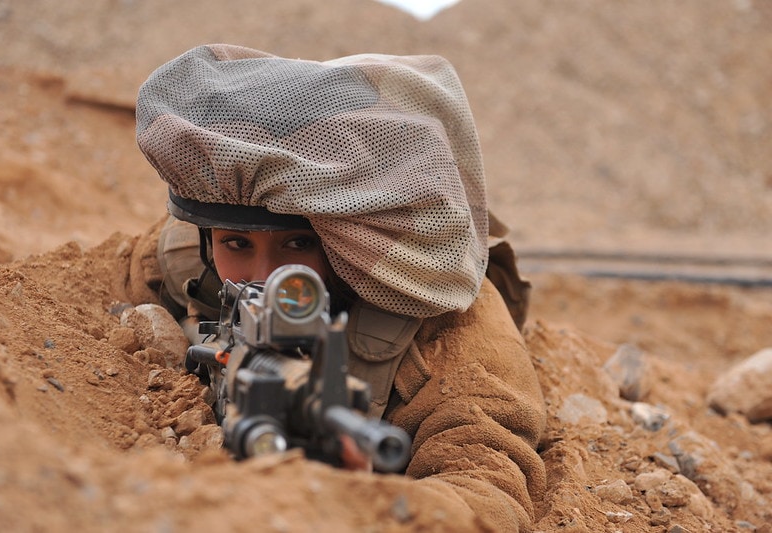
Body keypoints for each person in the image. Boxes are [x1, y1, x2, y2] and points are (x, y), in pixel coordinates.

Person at [131, 44, 546, 531]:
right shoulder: (187, 254)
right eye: (237, 244)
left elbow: (486, 473)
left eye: (300, 243)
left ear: (354, 237)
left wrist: (362, 505)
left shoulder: (448, 314)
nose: (264, 275)